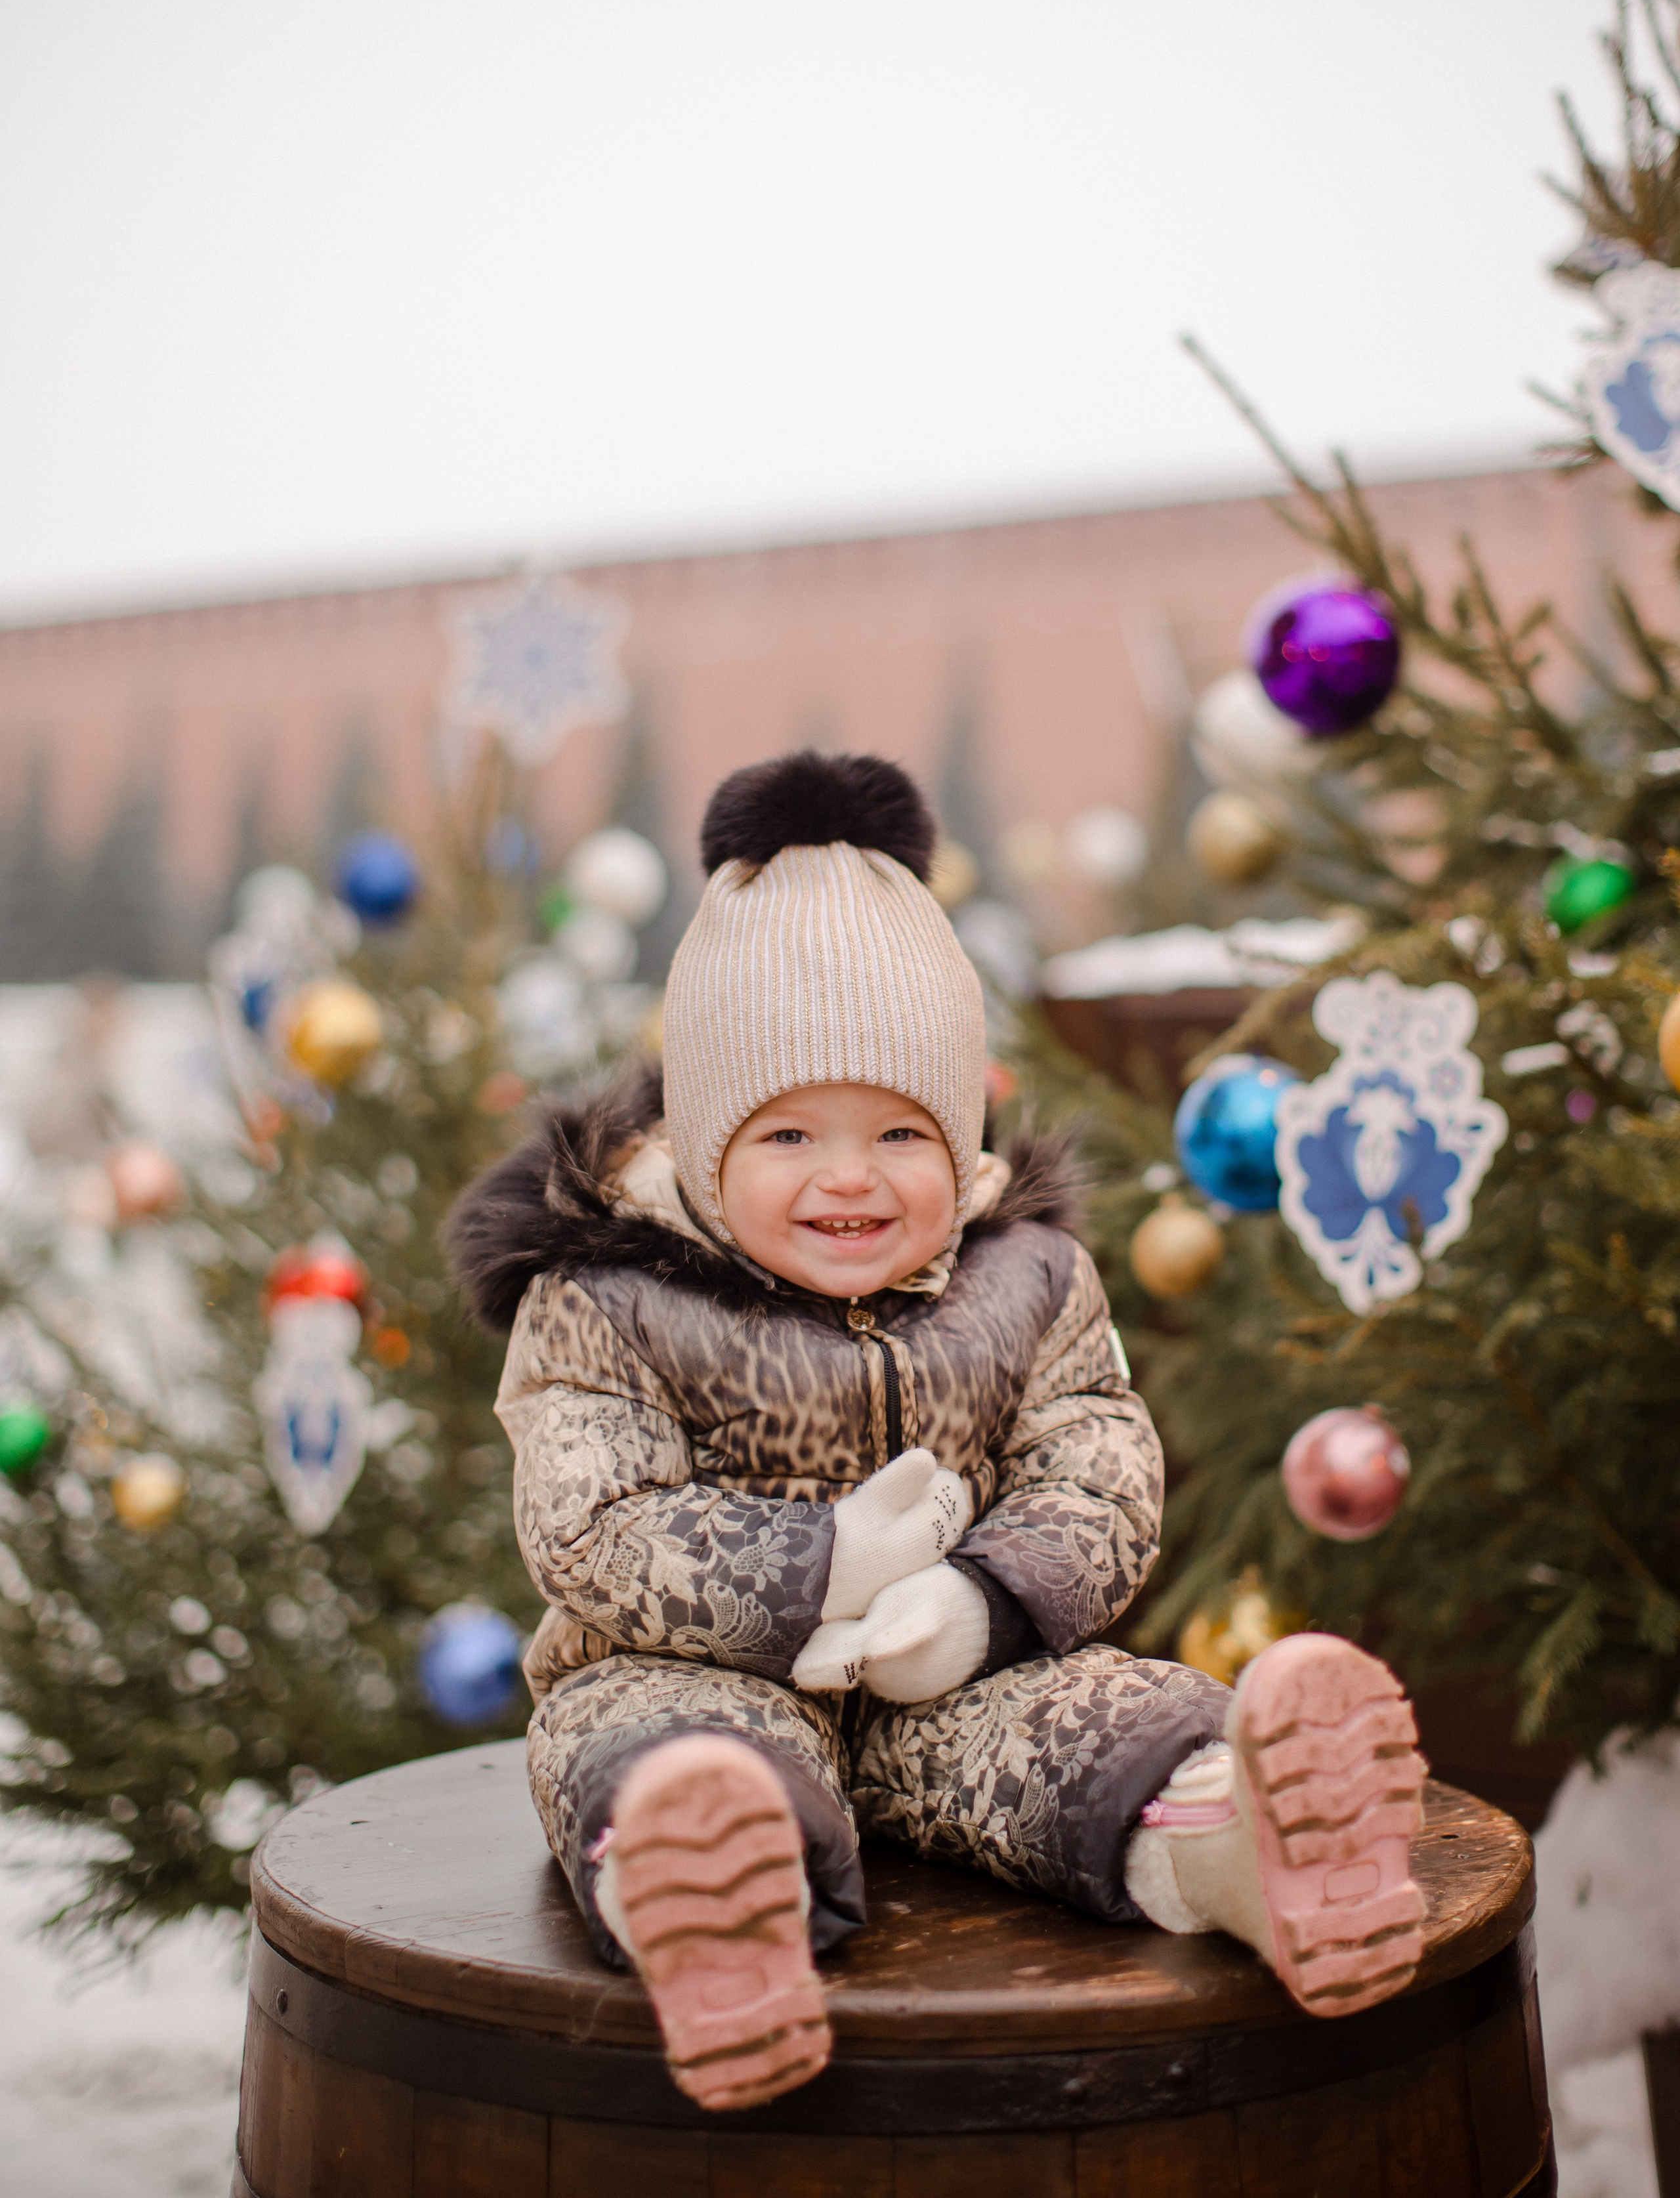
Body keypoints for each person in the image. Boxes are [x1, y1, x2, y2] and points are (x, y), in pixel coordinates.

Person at [449, 751, 1427, 2115]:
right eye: (787, 1133)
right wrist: (827, 1565)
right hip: (684, 1672)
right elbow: (590, 1529)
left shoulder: (1021, 1276)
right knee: (666, 1754)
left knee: (1099, 1727)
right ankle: (715, 1912)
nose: (849, 1177)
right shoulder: (609, 1296)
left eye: (899, 1133)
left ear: (960, 1134)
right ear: (705, 1141)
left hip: (958, 1681)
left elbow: (1097, 1461)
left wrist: (976, 1607)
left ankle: (1241, 1850)